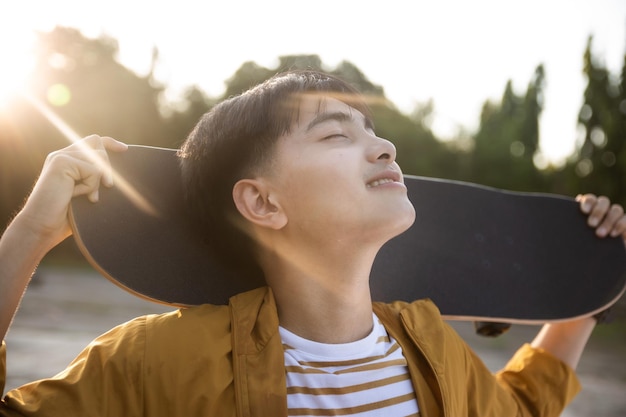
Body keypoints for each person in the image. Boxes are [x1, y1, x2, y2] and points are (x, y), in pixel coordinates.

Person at [0, 70, 625, 417]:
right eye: (335, 136)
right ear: (263, 202)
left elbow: (517, 413)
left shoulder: (432, 348)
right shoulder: (157, 363)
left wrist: (588, 269)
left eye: (373, 132)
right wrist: (29, 234)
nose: (384, 148)